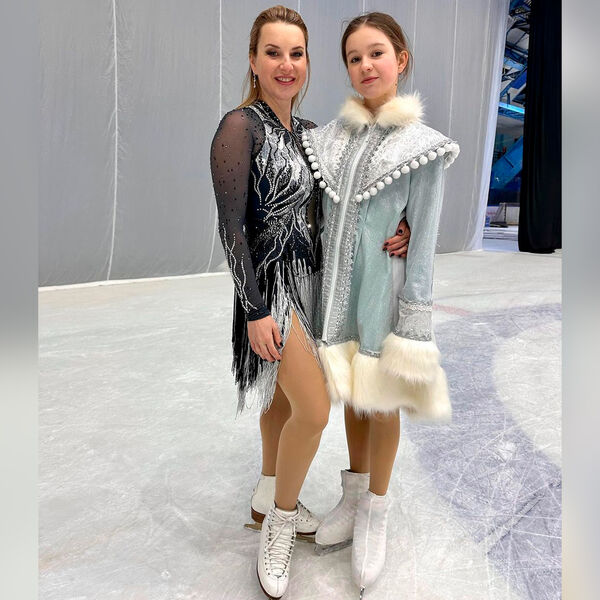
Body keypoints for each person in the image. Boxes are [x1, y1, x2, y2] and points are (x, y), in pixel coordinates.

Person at [209, 6, 410, 598]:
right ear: (253, 61)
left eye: (296, 53)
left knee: (283, 400)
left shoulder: (311, 132)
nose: (286, 64)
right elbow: (231, 228)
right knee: (316, 410)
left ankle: (267, 490)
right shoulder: (238, 126)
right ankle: (279, 521)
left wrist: (399, 228)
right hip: (270, 289)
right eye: (273, 53)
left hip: (314, 283)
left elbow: (345, 207)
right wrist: (254, 310)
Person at [300, 12, 460, 598]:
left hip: (383, 292)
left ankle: (377, 507)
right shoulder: (327, 140)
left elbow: (425, 239)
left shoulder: (423, 147)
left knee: (382, 401)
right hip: (335, 294)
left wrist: (414, 318)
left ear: (401, 59)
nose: (365, 66)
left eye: (376, 53)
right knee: (351, 392)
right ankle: (352, 492)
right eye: (354, 57)